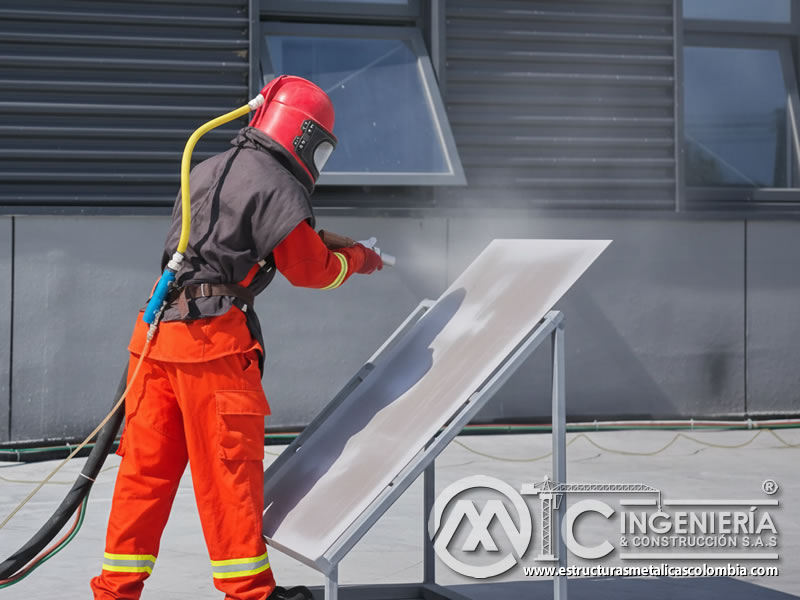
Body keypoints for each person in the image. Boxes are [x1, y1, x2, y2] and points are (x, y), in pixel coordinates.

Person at [90, 75, 383, 600]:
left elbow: (216, 243)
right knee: (228, 480)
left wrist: (313, 235)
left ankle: (115, 591)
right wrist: (358, 259)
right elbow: (310, 270)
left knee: (144, 477)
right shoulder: (277, 183)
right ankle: (250, 594)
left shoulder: (207, 168)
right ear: (304, 136)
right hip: (212, 349)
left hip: (156, 336)